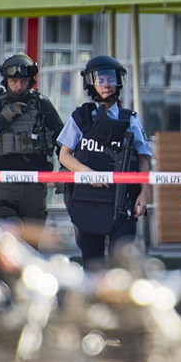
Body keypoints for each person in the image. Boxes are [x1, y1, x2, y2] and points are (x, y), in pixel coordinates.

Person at [57, 55, 152, 270]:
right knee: (92, 266)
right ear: (91, 84)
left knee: (123, 266)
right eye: (101, 80)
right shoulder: (81, 117)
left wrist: (144, 194)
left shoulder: (130, 119)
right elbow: (64, 155)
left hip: (122, 202)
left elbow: (143, 159)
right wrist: (87, 173)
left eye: (111, 79)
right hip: (87, 201)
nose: (106, 85)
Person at [0, 54, 63, 248]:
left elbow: (63, 140)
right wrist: (3, 120)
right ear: (6, 80)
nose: (19, 86)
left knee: (30, 246)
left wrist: (65, 170)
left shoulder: (42, 105)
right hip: (4, 183)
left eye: (23, 81)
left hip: (34, 184)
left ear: (30, 81)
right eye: (14, 81)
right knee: (4, 242)